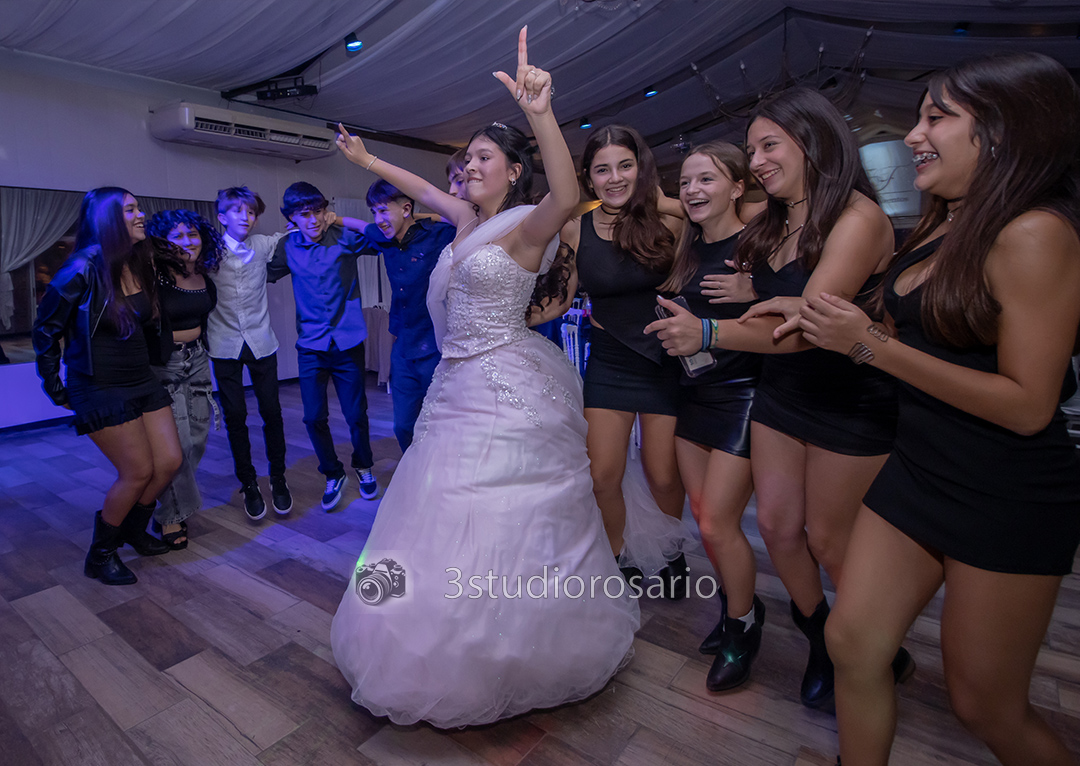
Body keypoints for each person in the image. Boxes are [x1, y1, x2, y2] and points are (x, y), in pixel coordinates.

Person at [330, 27, 639, 728]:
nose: (466, 166)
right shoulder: (467, 219)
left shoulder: (529, 226)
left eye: (481, 157)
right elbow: (419, 188)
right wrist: (368, 159)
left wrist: (540, 112)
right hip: (454, 385)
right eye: (465, 158)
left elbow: (568, 189)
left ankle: (509, 650)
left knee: (498, 516)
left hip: (505, 384)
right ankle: (410, 630)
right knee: (430, 511)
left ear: (512, 171)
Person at [798, 52, 1080, 765]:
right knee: (852, 643)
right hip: (920, 467)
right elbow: (921, 336)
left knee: (986, 706)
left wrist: (866, 346)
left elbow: (1028, 405)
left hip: (1004, 489)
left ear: (1002, 131)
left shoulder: (1035, 233)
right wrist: (828, 321)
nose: (914, 134)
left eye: (937, 117)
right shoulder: (942, 223)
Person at [645, 88, 910, 710]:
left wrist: (708, 331)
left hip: (847, 398)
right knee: (775, 527)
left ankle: (869, 649)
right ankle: (821, 636)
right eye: (753, 149)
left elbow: (808, 325)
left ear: (814, 141)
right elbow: (712, 214)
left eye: (770, 146)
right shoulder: (776, 219)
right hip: (782, 390)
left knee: (829, 540)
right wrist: (752, 290)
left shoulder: (856, 218)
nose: (758, 160)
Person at [562, 124, 690, 592]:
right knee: (602, 475)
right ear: (588, 177)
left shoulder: (671, 220)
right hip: (609, 360)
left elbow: (718, 213)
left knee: (663, 475)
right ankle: (619, 556)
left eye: (625, 166)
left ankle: (672, 552)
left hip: (663, 360)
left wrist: (663, 200)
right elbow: (562, 296)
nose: (614, 178)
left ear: (641, 168)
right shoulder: (576, 227)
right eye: (602, 169)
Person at [34, 188, 180, 585]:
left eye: (138, 207)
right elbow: (45, 330)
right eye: (130, 209)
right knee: (137, 471)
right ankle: (101, 554)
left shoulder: (137, 259)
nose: (141, 214)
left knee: (169, 462)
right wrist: (54, 385)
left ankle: (133, 531)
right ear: (108, 219)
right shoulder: (81, 268)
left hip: (141, 378)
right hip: (99, 385)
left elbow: (181, 260)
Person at [659, 141, 765, 690]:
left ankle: (742, 628)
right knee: (703, 518)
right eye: (685, 182)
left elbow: (786, 312)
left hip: (744, 394)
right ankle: (734, 606)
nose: (693, 190)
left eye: (707, 179)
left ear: (738, 186)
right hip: (692, 391)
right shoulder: (688, 244)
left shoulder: (759, 244)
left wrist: (757, 287)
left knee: (718, 522)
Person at [267, 182, 379, 509]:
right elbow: (259, 274)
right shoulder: (287, 247)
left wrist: (341, 219)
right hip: (311, 346)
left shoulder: (343, 237)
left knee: (356, 414)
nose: (313, 219)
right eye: (304, 214)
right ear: (292, 217)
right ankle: (333, 472)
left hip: (347, 342)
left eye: (318, 211)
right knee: (313, 417)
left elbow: (380, 237)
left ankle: (364, 466)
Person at [209, 187, 291, 521]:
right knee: (235, 416)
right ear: (222, 217)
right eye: (238, 211)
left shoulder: (261, 245)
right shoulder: (209, 252)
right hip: (223, 343)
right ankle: (248, 483)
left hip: (261, 341)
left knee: (272, 412)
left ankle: (279, 478)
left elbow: (291, 235)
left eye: (252, 212)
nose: (246, 217)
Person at [145, 209, 223, 549]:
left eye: (192, 234)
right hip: (165, 366)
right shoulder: (155, 276)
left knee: (198, 440)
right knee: (178, 446)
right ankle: (170, 517)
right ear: (162, 241)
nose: (187, 241)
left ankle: (162, 504)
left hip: (198, 361)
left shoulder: (203, 275)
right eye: (177, 235)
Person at [361, 180, 455, 450]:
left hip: (436, 345)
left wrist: (426, 215)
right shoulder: (382, 236)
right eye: (374, 212)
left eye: (383, 210)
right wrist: (333, 219)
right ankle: (414, 472)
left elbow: (466, 218)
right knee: (403, 426)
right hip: (403, 346)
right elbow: (360, 227)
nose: (378, 219)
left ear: (405, 209)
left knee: (440, 422)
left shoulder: (438, 234)